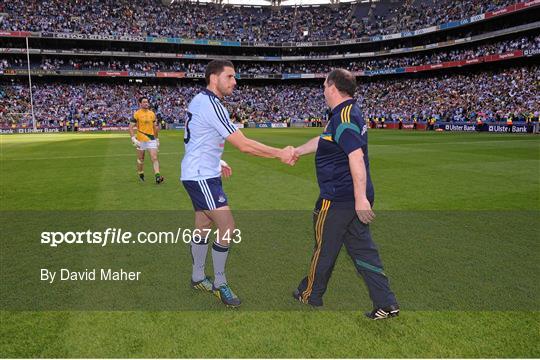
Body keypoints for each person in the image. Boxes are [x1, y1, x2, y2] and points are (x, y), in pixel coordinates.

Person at [180, 59, 296, 308]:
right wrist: (279, 153)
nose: (235, 81)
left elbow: (198, 138)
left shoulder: (199, 100)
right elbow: (244, 145)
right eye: (230, 77)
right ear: (214, 78)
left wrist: (218, 160)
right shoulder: (212, 105)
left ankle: (198, 276)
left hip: (201, 172)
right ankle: (220, 283)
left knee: (203, 224)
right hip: (201, 176)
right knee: (227, 227)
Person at [292, 69, 399, 320]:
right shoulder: (343, 113)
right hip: (350, 198)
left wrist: (360, 198)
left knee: (324, 249)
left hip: (339, 198)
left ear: (332, 87)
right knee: (363, 251)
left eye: (324, 85)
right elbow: (323, 140)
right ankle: (386, 303)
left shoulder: (345, 116)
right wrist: (297, 151)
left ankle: (309, 293)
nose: (322, 90)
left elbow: (355, 157)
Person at [129, 96, 164, 184]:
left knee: (154, 158)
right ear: (140, 104)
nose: (146, 103)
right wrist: (133, 138)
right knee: (141, 159)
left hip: (151, 139)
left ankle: (157, 177)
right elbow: (130, 127)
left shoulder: (152, 113)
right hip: (140, 140)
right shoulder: (137, 114)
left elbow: (155, 127)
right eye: (144, 102)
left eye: (147, 102)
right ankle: (141, 174)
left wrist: (157, 139)